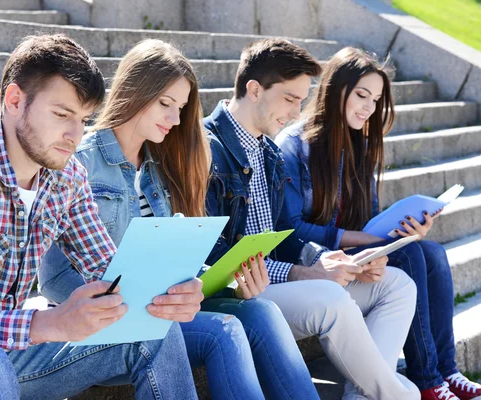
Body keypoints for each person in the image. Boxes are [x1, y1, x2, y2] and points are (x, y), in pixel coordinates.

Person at [0, 34, 204, 400]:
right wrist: (47, 322)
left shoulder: (66, 176)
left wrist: (166, 295)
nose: (74, 134)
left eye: (83, 119)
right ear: (15, 100)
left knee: (155, 328)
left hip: (4, 358)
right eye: (62, 114)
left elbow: (110, 274)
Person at [39, 38, 319, 400]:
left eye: (181, 108)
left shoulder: (158, 172)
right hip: (105, 321)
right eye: (165, 104)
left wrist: (218, 281)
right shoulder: (80, 164)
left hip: (157, 309)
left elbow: (168, 264)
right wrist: (120, 303)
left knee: (260, 311)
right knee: (224, 331)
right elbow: (53, 277)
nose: (175, 119)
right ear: (136, 92)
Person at [204, 38, 420, 400]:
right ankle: (395, 394)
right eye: (289, 99)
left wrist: (322, 257)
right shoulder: (207, 148)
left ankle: (367, 393)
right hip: (243, 291)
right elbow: (218, 258)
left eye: (301, 101)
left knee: (397, 285)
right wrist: (303, 272)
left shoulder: (268, 150)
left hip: (278, 279)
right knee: (330, 297)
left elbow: (282, 236)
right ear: (254, 90)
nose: (295, 112)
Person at [276, 46, 481, 400]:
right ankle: (428, 379)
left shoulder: (360, 147)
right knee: (415, 259)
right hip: (313, 260)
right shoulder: (294, 146)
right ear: (336, 89)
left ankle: (446, 371)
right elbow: (289, 230)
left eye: (375, 99)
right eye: (361, 95)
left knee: (429, 251)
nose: (369, 107)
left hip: (352, 250)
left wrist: (406, 231)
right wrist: (358, 239)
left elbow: (371, 221)